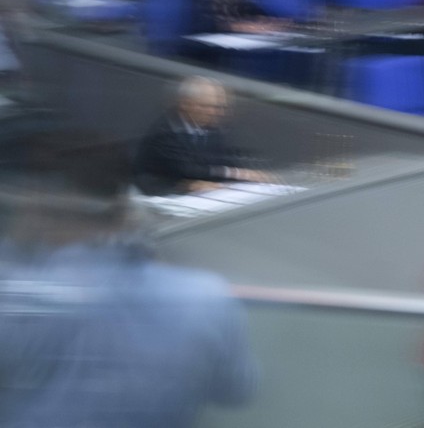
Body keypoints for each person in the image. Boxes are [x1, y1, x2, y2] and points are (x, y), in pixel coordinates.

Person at [0, 133, 258, 427]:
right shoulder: (205, 296)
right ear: (126, 210)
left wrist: (14, 244)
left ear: (37, 213)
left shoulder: (18, 298)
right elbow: (236, 392)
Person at [134, 76, 274, 195]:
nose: (218, 113)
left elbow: (224, 158)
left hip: (205, 194)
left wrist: (251, 172)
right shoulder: (166, 129)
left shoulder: (214, 127)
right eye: (209, 107)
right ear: (186, 104)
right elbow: (187, 169)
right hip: (161, 194)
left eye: (220, 107)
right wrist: (237, 173)